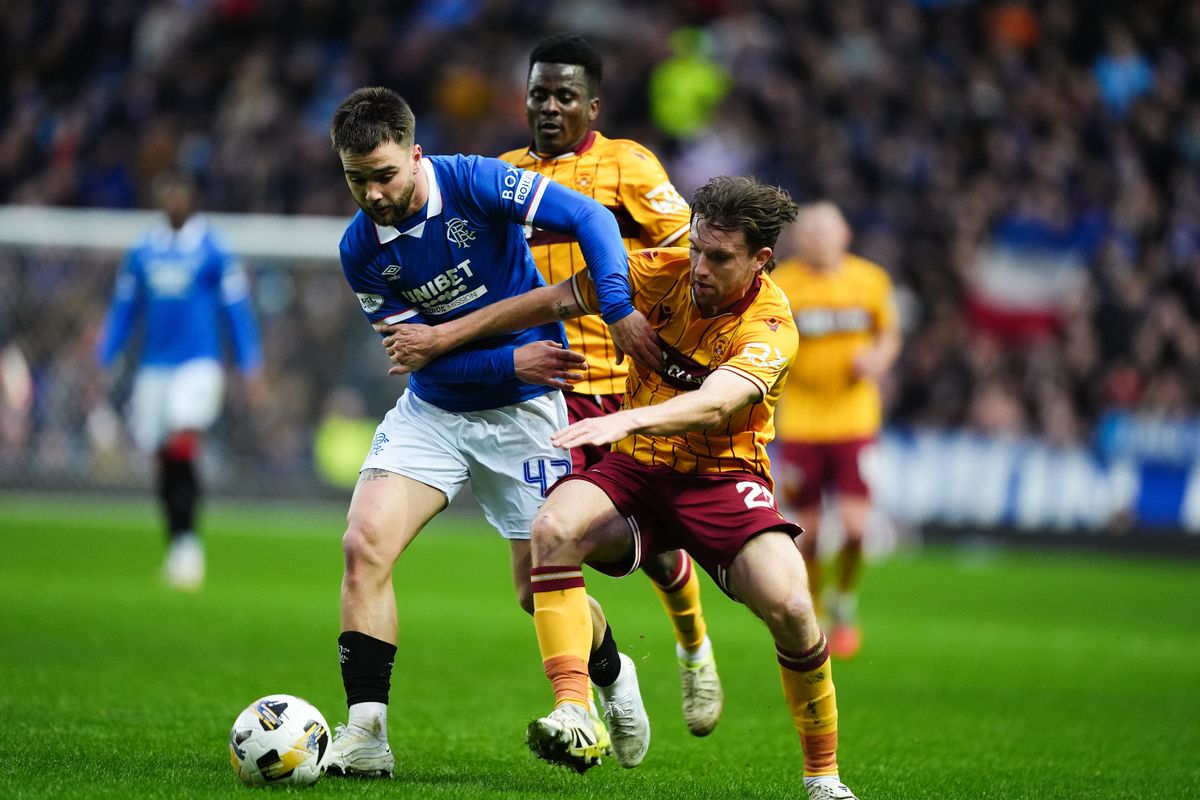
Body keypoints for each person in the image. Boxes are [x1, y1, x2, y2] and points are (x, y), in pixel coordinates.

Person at [382, 177, 859, 800]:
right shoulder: (659, 271)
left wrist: (627, 416)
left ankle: (823, 778)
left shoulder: (772, 325)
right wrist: (445, 337)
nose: (700, 268)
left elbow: (717, 404)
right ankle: (575, 709)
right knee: (552, 530)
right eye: (697, 249)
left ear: (759, 261)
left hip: (722, 478)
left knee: (794, 608)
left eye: (719, 258)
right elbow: (548, 301)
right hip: (634, 470)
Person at [326, 86, 663, 777]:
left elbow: (593, 219)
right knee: (363, 546)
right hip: (436, 412)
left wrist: (618, 305)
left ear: (415, 155)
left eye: (385, 174)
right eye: (357, 179)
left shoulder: (476, 182)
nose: (374, 194)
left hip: (524, 410)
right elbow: (422, 360)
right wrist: (510, 352)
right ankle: (367, 733)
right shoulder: (360, 249)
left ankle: (611, 670)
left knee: (532, 589)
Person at [497, 33, 722, 738]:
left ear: (592, 104)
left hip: (624, 395)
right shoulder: (501, 177)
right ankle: (609, 679)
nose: (551, 107)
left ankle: (693, 649)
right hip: (538, 401)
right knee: (534, 579)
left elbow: (693, 254)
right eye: (540, 93)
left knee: (651, 548)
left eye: (566, 95)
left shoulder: (628, 165)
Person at [96, 170, 262, 591]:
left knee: (181, 442)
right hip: (155, 366)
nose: (173, 200)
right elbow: (124, 309)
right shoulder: (143, 252)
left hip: (198, 364)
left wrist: (250, 363)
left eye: (179, 193)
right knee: (162, 456)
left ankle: (188, 546)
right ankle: (179, 543)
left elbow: (236, 311)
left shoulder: (213, 252)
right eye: (165, 193)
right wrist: (105, 355)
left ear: (192, 198)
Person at [771, 202, 901, 660]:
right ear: (800, 239)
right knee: (806, 530)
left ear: (845, 234)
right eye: (811, 231)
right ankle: (813, 609)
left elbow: (889, 334)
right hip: (802, 419)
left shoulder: (870, 281)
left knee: (856, 525)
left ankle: (843, 600)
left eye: (828, 230)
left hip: (854, 419)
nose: (820, 238)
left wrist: (878, 360)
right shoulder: (783, 283)